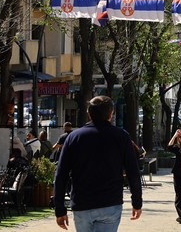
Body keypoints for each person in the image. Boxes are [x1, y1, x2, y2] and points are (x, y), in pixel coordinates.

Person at [54, 96, 142, 231]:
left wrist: (60, 209)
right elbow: (133, 172)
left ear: (89, 113)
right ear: (111, 114)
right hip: (110, 202)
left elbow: (61, 174)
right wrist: (137, 201)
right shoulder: (121, 136)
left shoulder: (74, 137)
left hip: (82, 203)